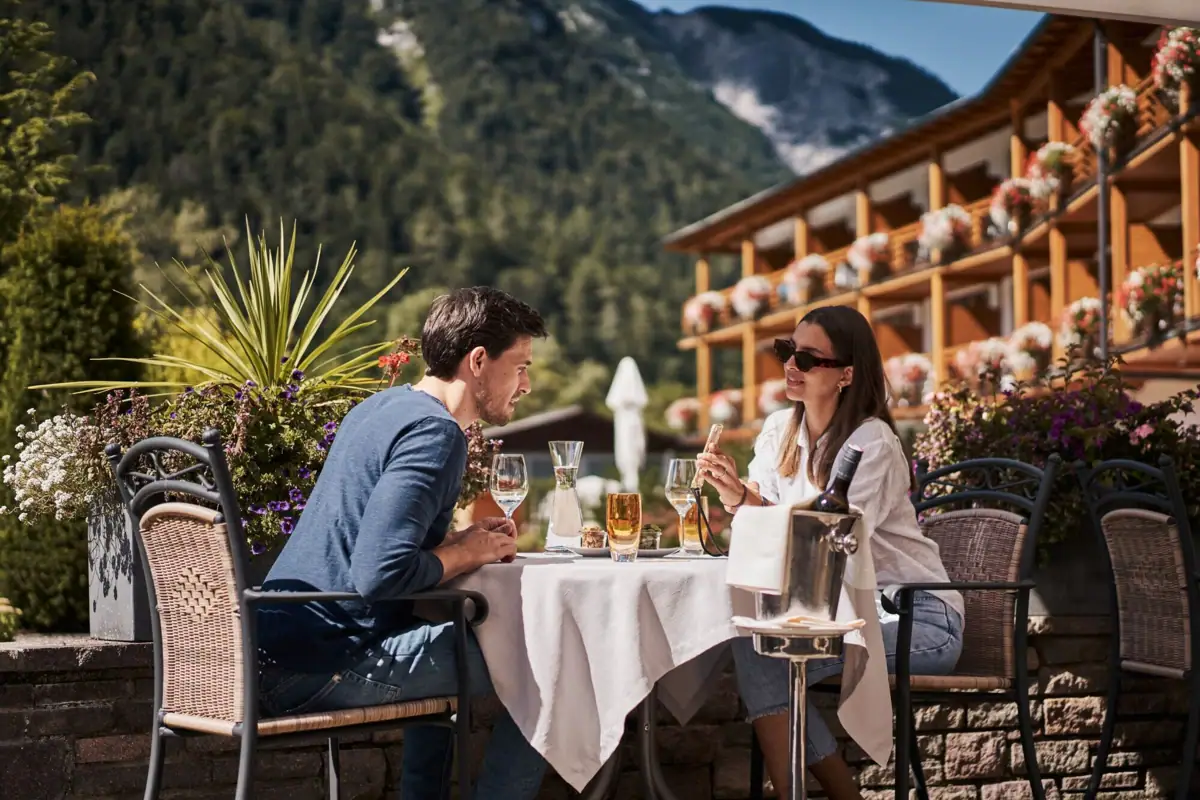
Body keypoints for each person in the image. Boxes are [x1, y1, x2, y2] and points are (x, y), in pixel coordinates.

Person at [256, 287, 549, 800]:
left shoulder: (381, 408)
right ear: (478, 360)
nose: (526, 384)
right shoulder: (435, 434)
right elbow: (378, 573)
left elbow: (373, 545)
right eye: (520, 366)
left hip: (274, 650)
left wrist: (460, 541)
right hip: (322, 665)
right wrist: (467, 554)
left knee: (450, 637)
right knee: (552, 667)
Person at [698, 305, 964, 800]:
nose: (790, 365)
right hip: (830, 612)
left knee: (764, 654)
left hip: (912, 616)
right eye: (786, 351)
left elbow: (831, 536)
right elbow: (781, 520)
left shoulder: (872, 444)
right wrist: (737, 494)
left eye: (807, 357)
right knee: (754, 644)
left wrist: (748, 504)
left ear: (846, 374)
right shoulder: (780, 431)